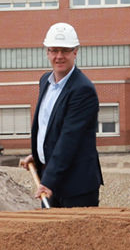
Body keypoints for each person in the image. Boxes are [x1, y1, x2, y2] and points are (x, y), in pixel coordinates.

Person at [20, 22, 103, 207]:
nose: (59, 56)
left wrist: (48, 181)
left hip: (76, 187)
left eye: (65, 50)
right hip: (50, 178)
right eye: (54, 50)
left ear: (75, 52)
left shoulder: (83, 90)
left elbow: (70, 139)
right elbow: (48, 125)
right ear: (47, 52)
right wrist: (39, 154)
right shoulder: (45, 81)